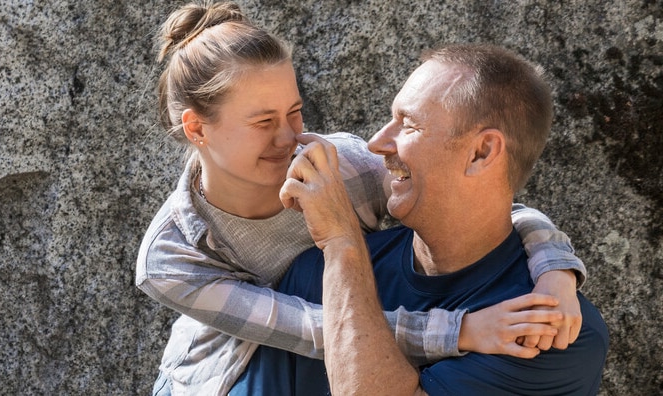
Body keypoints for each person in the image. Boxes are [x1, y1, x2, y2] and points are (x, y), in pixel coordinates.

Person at [136, 3, 588, 395]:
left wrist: (555, 271)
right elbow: (313, 328)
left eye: (294, 111)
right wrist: (463, 331)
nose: (289, 136)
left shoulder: (344, 169)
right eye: (263, 122)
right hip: (220, 375)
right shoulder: (171, 254)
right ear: (197, 129)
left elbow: (482, 199)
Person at [263, 43, 609, 395]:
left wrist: (341, 242)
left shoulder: (550, 330)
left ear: (481, 152)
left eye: (408, 124)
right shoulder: (312, 276)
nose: (377, 142)